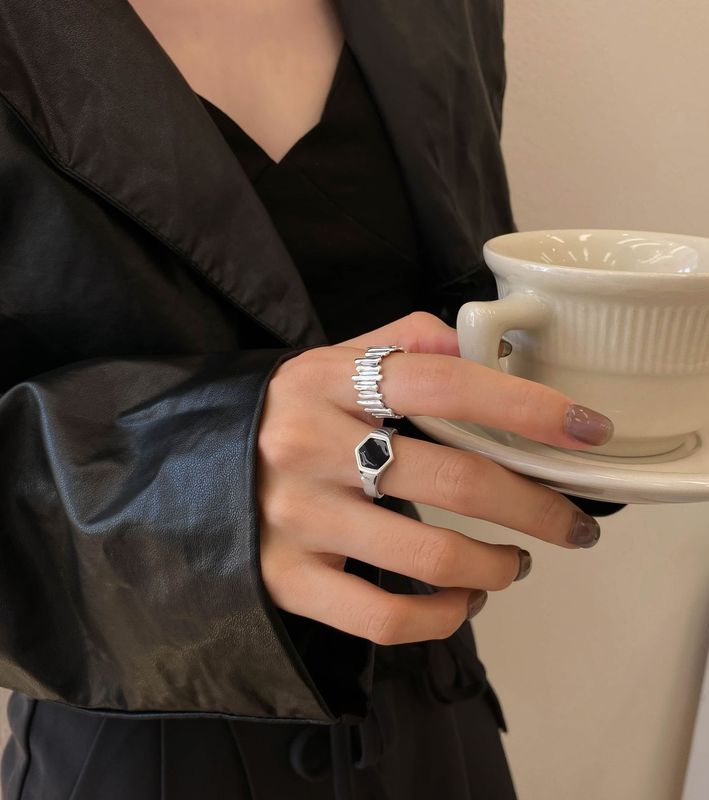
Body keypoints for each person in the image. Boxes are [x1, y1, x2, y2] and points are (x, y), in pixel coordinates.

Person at [0, 1, 624, 797]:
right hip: (140, 746)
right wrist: (199, 493)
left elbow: (464, 300)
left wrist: (595, 403)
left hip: (435, 709)